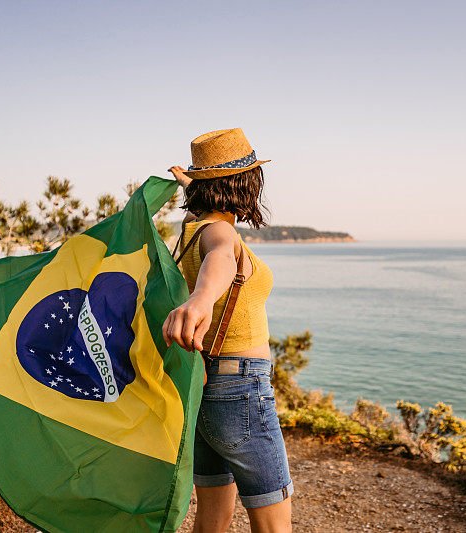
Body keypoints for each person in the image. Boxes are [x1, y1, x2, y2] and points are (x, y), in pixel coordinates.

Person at [163, 128, 293, 533]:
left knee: (213, 518)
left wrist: (193, 184)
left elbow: (206, 231)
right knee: (274, 523)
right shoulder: (220, 233)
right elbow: (220, 259)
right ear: (244, 183)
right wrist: (202, 298)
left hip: (204, 388)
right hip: (242, 390)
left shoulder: (192, 228)